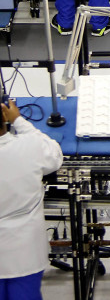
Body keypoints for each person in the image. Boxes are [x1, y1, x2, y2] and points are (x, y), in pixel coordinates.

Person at [0, 99, 63, 300]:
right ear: (3, 116)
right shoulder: (31, 146)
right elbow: (54, 156)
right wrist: (19, 120)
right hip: (25, 253)